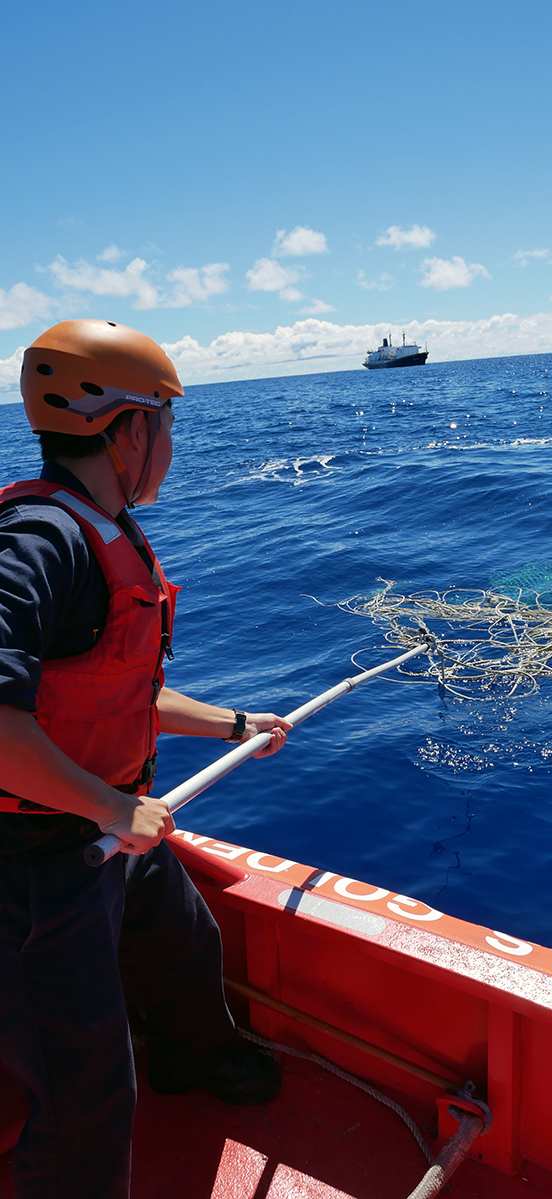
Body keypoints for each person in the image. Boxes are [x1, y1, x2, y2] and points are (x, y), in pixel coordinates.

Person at [0, 319, 293, 1199]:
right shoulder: (39, 543)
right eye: (167, 424)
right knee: (80, 1095)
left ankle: (197, 1058)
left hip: (100, 824)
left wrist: (237, 721)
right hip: (35, 864)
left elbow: (114, 696)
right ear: (129, 430)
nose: (170, 445)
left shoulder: (100, 528)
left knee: (179, 942)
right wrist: (111, 807)